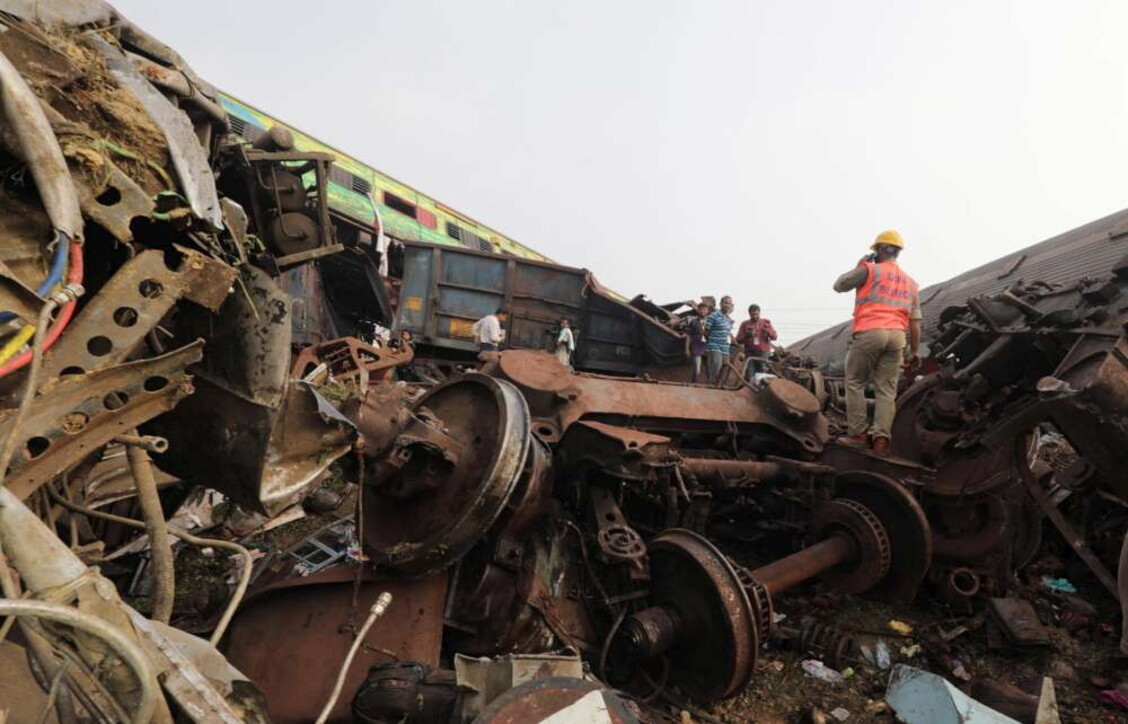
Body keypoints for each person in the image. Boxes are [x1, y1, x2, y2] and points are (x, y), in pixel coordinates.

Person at [833, 229, 921, 454]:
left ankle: (858, 434)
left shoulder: (869, 269)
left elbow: (839, 285)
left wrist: (859, 265)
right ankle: (881, 440)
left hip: (871, 331)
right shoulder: (911, 283)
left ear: (881, 249)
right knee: (887, 391)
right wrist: (915, 351)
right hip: (897, 337)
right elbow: (915, 322)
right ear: (898, 252)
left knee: (854, 381)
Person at [735, 304, 777, 379]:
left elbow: (774, 336)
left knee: (762, 372)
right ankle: (749, 387)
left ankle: (761, 389)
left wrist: (768, 332)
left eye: (756, 314)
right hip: (750, 353)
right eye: (752, 314)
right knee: (749, 373)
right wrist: (746, 336)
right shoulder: (745, 324)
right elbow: (738, 340)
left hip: (763, 352)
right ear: (749, 314)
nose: (754, 316)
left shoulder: (765, 323)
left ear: (759, 313)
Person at [705, 295, 735, 384]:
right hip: (714, 344)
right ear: (721, 304)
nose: (727, 305)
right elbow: (706, 331)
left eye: (729, 303)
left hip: (725, 346)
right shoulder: (713, 316)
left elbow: (728, 333)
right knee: (717, 364)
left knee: (726, 365)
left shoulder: (729, 320)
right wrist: (711, 342)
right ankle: (711, 382)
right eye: (725, 303)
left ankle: (719, 383)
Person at [682, 301, 712, 383]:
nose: (702, 311)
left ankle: (710, 386)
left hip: (708, 347)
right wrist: (687, 349)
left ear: (708, 311)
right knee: (697, 368)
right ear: (698, 310)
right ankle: (694, 383)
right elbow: (688, 336)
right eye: (700, 309)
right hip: (696, 347)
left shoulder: (711, 322)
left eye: (704, 309)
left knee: (710, 369)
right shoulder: (693, 322)